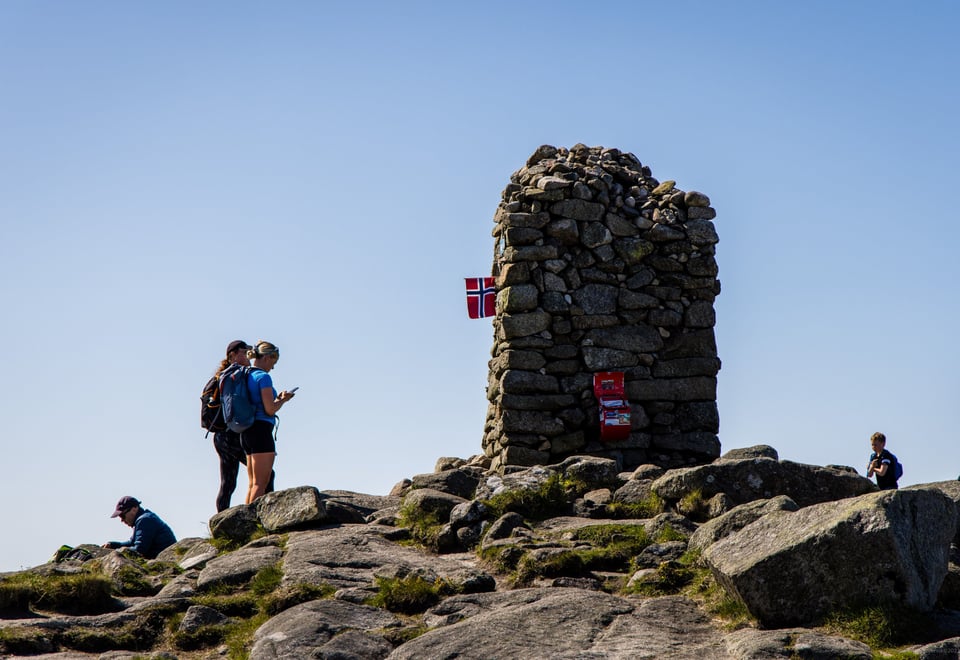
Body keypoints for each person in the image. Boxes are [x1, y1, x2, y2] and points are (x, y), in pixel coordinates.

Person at [211, 340, 274, 512]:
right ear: (232, 355)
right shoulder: (240, 375)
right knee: (262, 479)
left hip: (221, 435)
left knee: (228, 483)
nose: (248, 354)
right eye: (244, 351)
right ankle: (262, 515)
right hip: (236, 432)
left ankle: (223, 521)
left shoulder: (224, 376)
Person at [241, 340, 296, 504]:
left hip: (246, 431)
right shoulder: (263, 377)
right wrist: (283, 400)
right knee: (260, 484)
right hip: (261, 431)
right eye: (273, 361)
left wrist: (277, 399)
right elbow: (269, 409)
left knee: (252, 484)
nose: (273, 366)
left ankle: (243, 522)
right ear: (267, 357)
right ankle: (253, 523)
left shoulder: (246, 374)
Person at [102, 496, 176, 559]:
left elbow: (139, 549)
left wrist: (116, 552)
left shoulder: (145, 520)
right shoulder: (144, 518)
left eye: (122, 516)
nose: (122, 520)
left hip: (166, 559)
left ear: (134, 509)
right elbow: (132, 542)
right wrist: (113, 545)